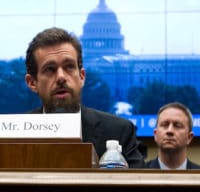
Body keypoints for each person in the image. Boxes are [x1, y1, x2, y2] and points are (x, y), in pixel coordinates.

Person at [25, 27, 145, 168]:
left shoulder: (119, 131)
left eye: (69, 67)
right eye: (50, 69)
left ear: (82, 76)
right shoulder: (14, 136)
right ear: (32, 82)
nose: (61, 77)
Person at [146, 102, 200, 169]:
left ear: (189, 137)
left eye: (177, 126)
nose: (170, 131)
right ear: (155, 134)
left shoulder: (197, 174)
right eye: (165, 125)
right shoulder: (138, 173)